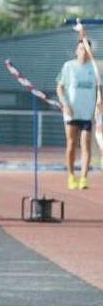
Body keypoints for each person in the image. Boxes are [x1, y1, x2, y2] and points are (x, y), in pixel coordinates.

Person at [56, 36, 100, 190]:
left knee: (86, 145)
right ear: (76, 50)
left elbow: (100, 89)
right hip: (71, 112)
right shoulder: (69, 66)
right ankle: (71, 176)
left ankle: (84, 178)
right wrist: (65, 104)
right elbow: (60, 87)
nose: (83, 52)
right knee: (71, 144)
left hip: (87, 113)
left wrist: (98, 106)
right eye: (81, 48)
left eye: (86, 49)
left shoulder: (94, 68)